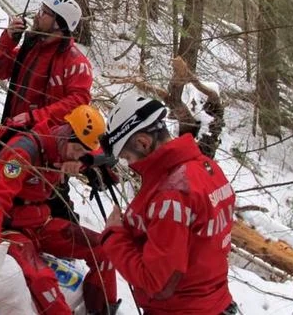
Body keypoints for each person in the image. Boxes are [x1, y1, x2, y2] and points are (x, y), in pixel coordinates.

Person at [100, 95, 237, 315]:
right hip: (215, 302)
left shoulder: (171, 194)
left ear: (143, 142)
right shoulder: (206, 168)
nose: (131, 165)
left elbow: (156, 282)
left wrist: (113, 236)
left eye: (127, 156)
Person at [0, 105, 120, 315]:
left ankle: (102, 310)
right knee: (42, 279)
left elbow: (105, 155)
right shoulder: (24, 152)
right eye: (77, 150)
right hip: (13, 229)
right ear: (66, 134)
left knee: (105, 249)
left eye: (84, 152)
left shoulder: (71, 148)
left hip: (42, 222)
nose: (78, 156)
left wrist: (85, 161)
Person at [0, 0, 93, 222]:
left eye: (44, 13)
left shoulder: (75, 63)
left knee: (50, 204)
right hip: (13, 135)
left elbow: (79, 102)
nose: (37, 16)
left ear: (59, 24)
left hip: (46, 150)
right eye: (40, 10)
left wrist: (35, 117)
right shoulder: (32, 47)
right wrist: (8, 40)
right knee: (0, 187)